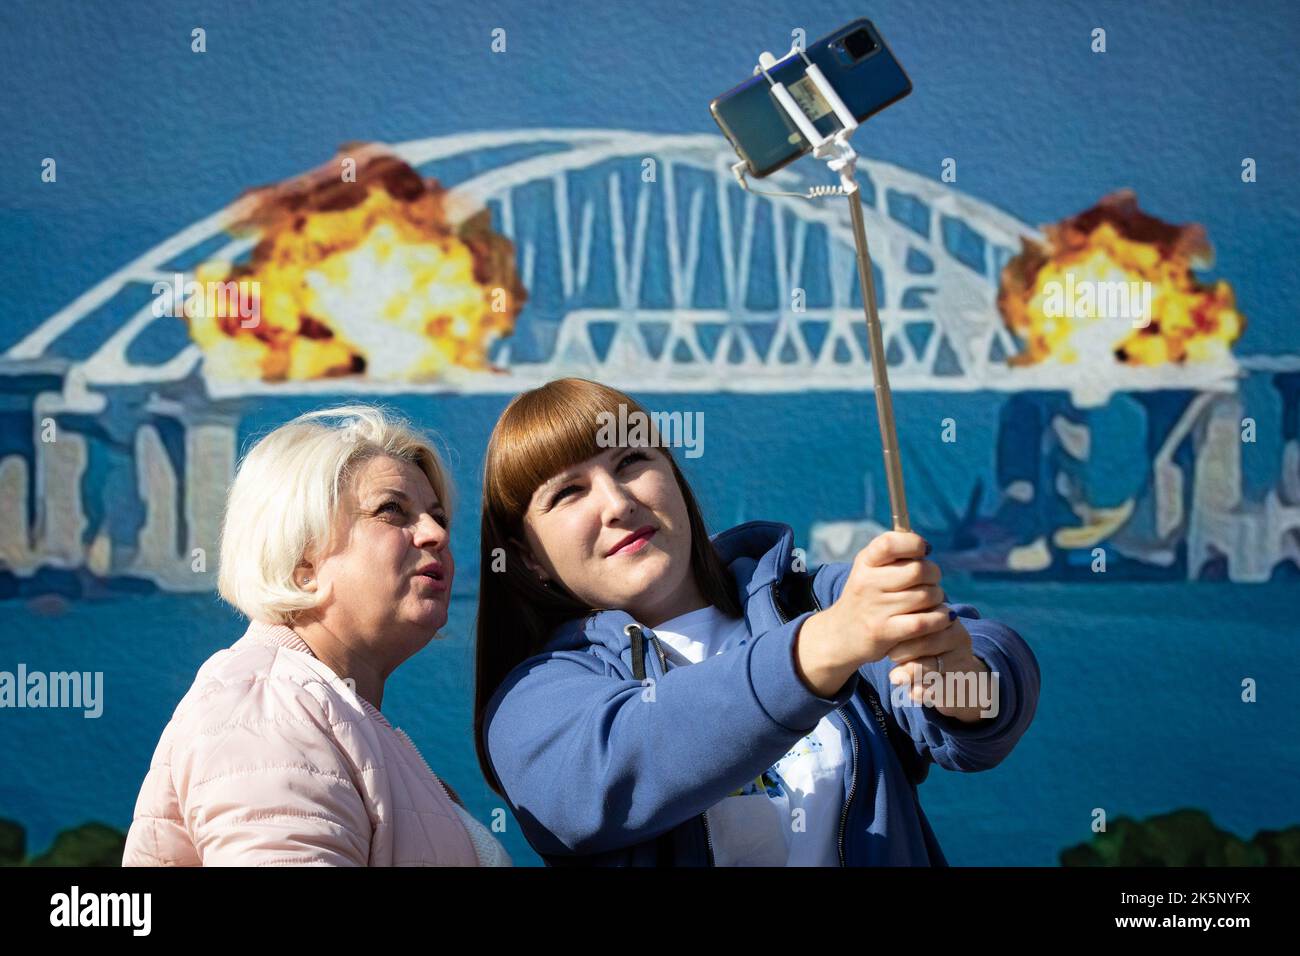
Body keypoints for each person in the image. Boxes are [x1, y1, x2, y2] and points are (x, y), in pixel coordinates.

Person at [475, 378, 1040, 866]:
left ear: (673, 476)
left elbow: (987, 688)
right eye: (569, 493)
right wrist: (820, 650)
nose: (617, 502)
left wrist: (959, 672)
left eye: (632, 461)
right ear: (528, 557)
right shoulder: (534, 697)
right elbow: (597, 781)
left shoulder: (815, 598)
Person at [123, 404, 509, 866]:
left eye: (438, 516)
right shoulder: (267, 711)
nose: (435, 534)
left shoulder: (308, 708)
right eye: (393, 511)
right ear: (302, 564)